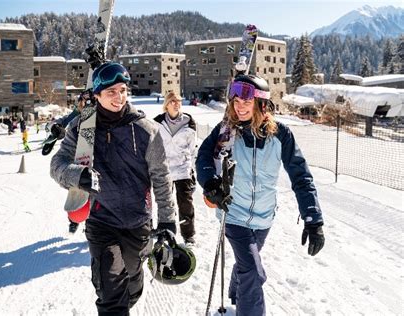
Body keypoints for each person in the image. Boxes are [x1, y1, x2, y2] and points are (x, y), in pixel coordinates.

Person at [50, 61, 177, 315]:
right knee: (110, 292)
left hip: (137, 222)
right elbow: (57, 165)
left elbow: (162, 179)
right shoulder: (83, 128)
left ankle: (132, 288)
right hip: (101, 220)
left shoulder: (145, 130)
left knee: (130, 285)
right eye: (111, 92)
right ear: (96, 95)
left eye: (122, 90)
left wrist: (167, 222)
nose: (118, 97)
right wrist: (77, 176)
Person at [196, 74, 325, 316]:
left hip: (263, 217)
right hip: (233, 213)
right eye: (236, 101)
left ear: (261, 104)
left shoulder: (281, 135)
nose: (239, 106)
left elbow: (301, 176)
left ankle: (236, 292)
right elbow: (202, 158)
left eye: (246, 101)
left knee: (247, 266)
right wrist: (210, 183)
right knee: (253, 272)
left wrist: (313, 219)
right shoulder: (226, 131)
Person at [153, 91, 197, 245]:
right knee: (165, 202)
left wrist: (191, 168)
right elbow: (153, 146)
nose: (177, 104)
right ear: (166, 104)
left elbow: (192, 149)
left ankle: (188, 235)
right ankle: (165, 231)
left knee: (185, 203)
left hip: (183, 168)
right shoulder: (157, 123)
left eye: (178, 101)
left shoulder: (189, 122)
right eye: (173, 101)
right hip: (164, 169)